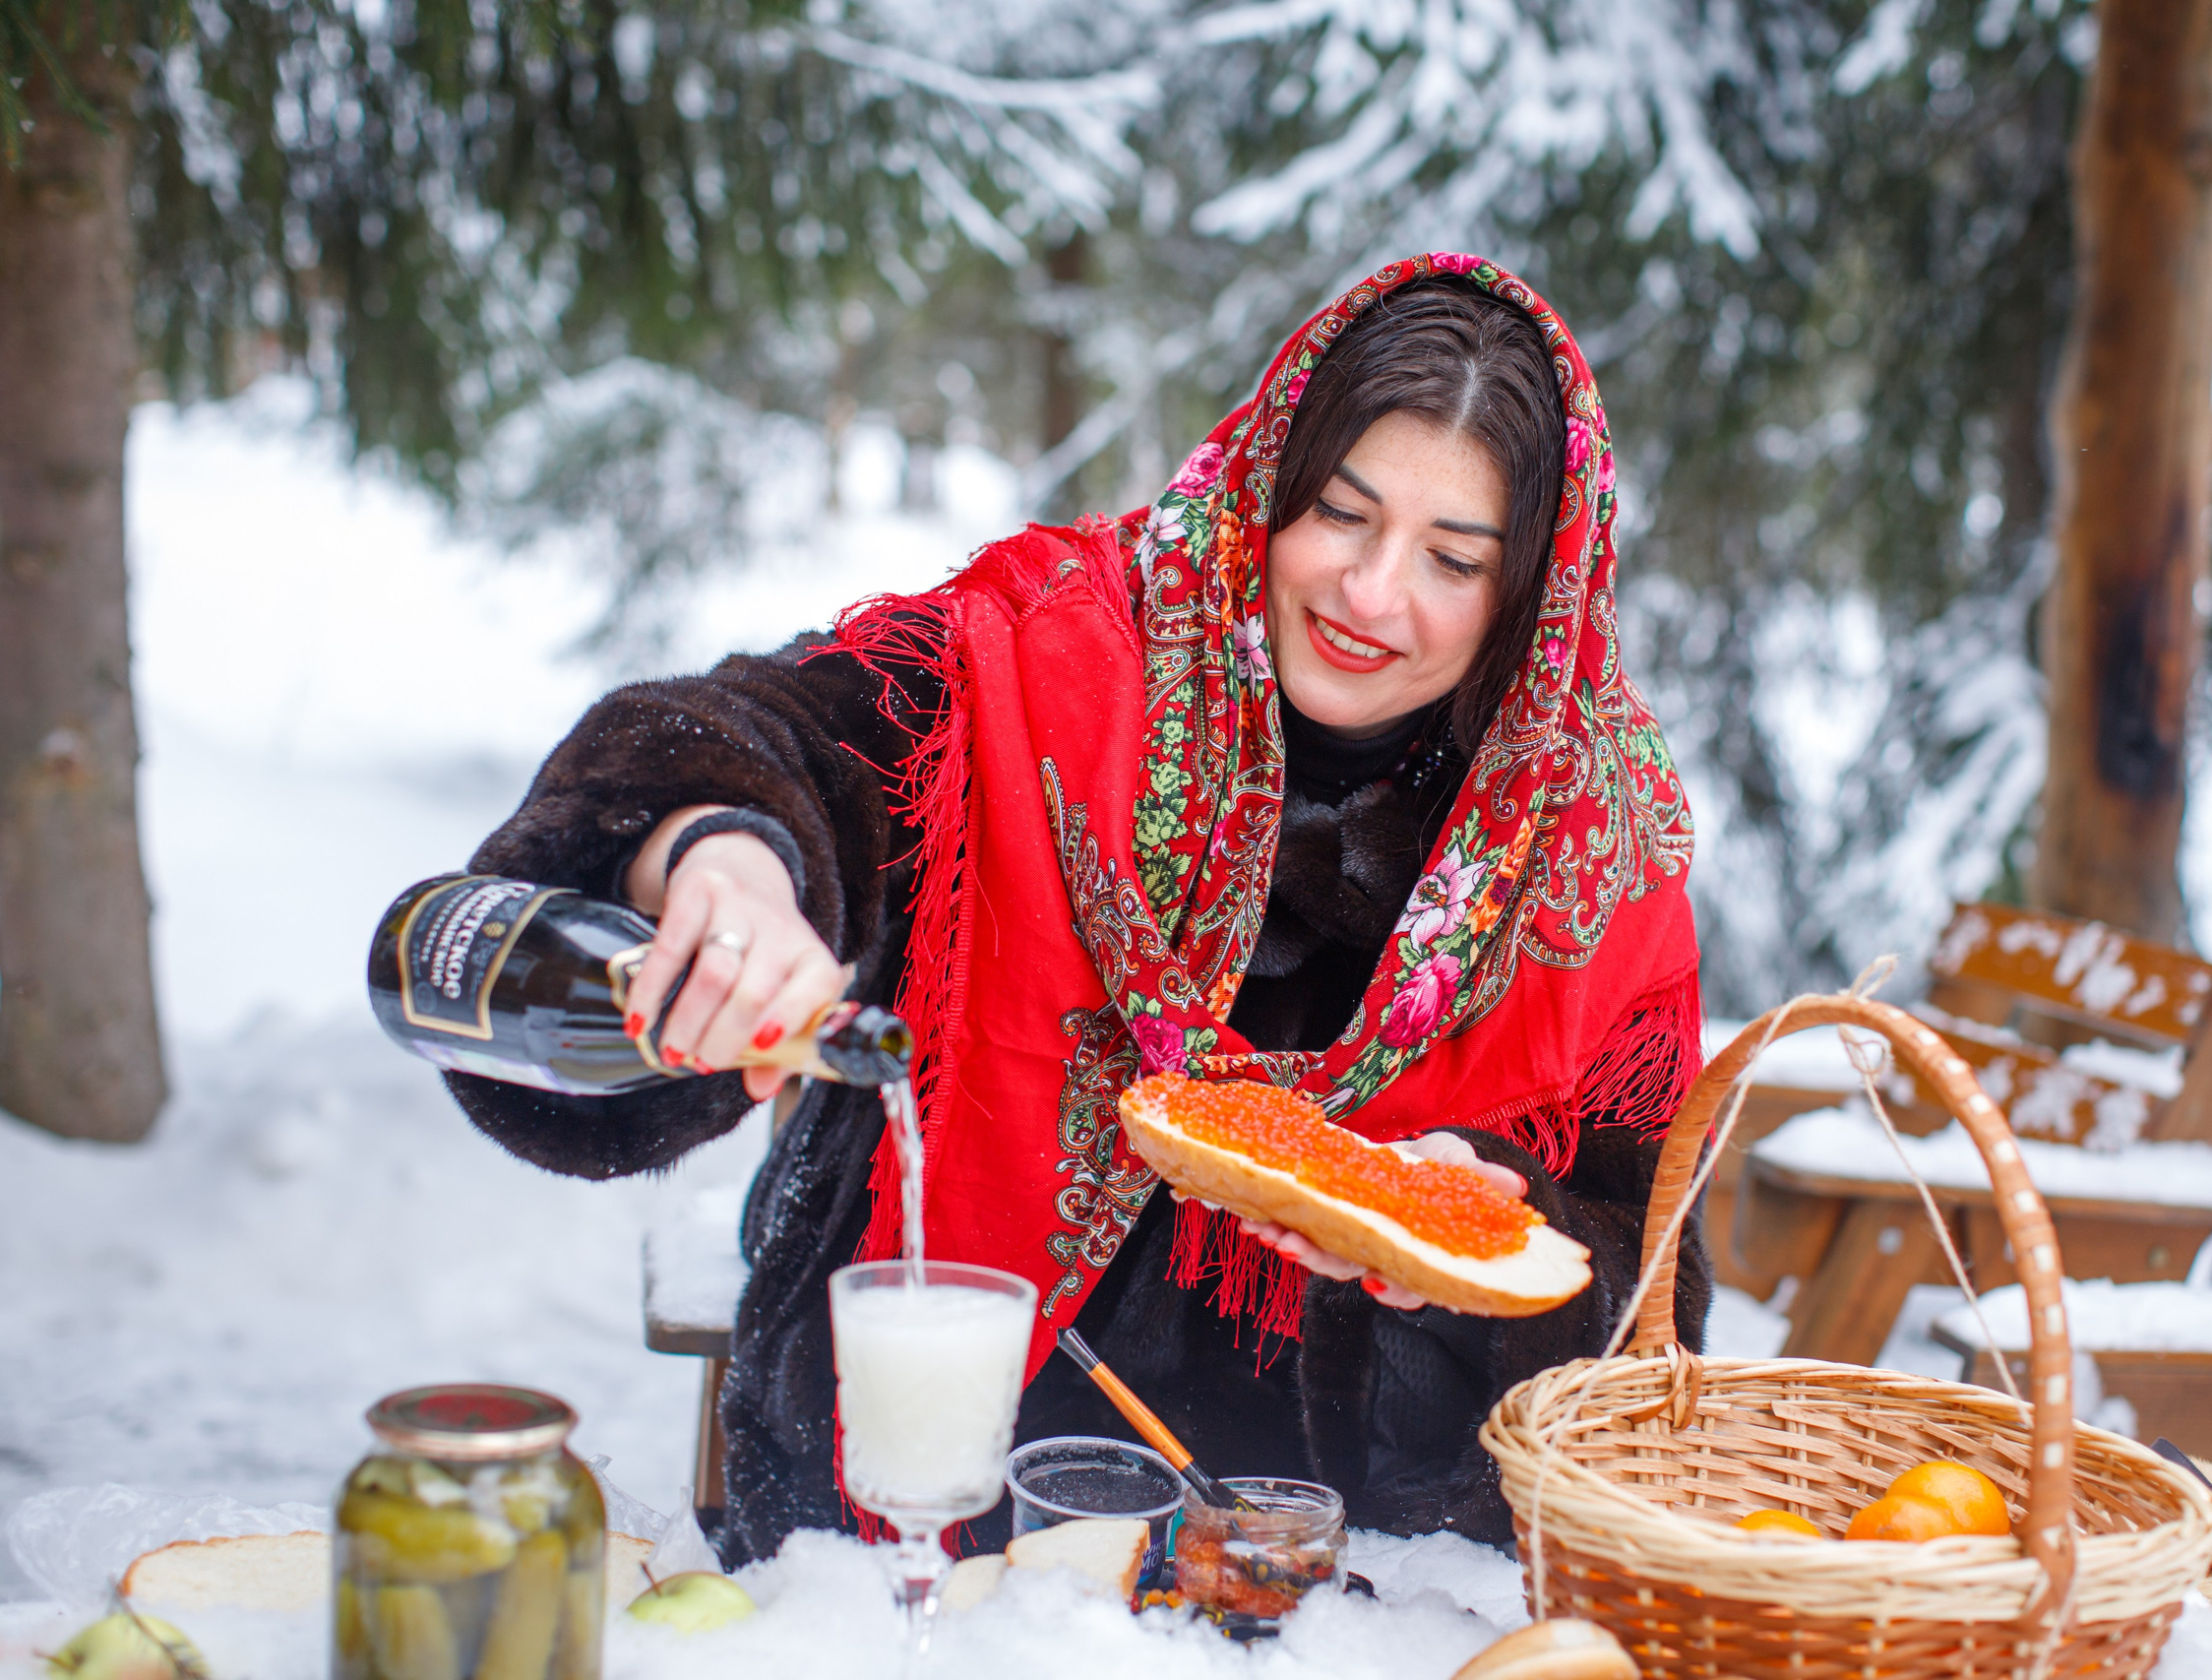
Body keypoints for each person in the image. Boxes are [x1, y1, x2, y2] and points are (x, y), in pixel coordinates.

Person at [449, 255, 1710, 1566]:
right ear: (1268, 479)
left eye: (1454, 558)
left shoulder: (1595, 850)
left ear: (1527, 599)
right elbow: (736, 733)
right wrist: (722, 852)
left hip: (1341, 1593)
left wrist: (1493, 1242)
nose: (1373, 592)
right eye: (1340, 513)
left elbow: (1651, 1320)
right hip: (915, 1556)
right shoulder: (1040, 650)